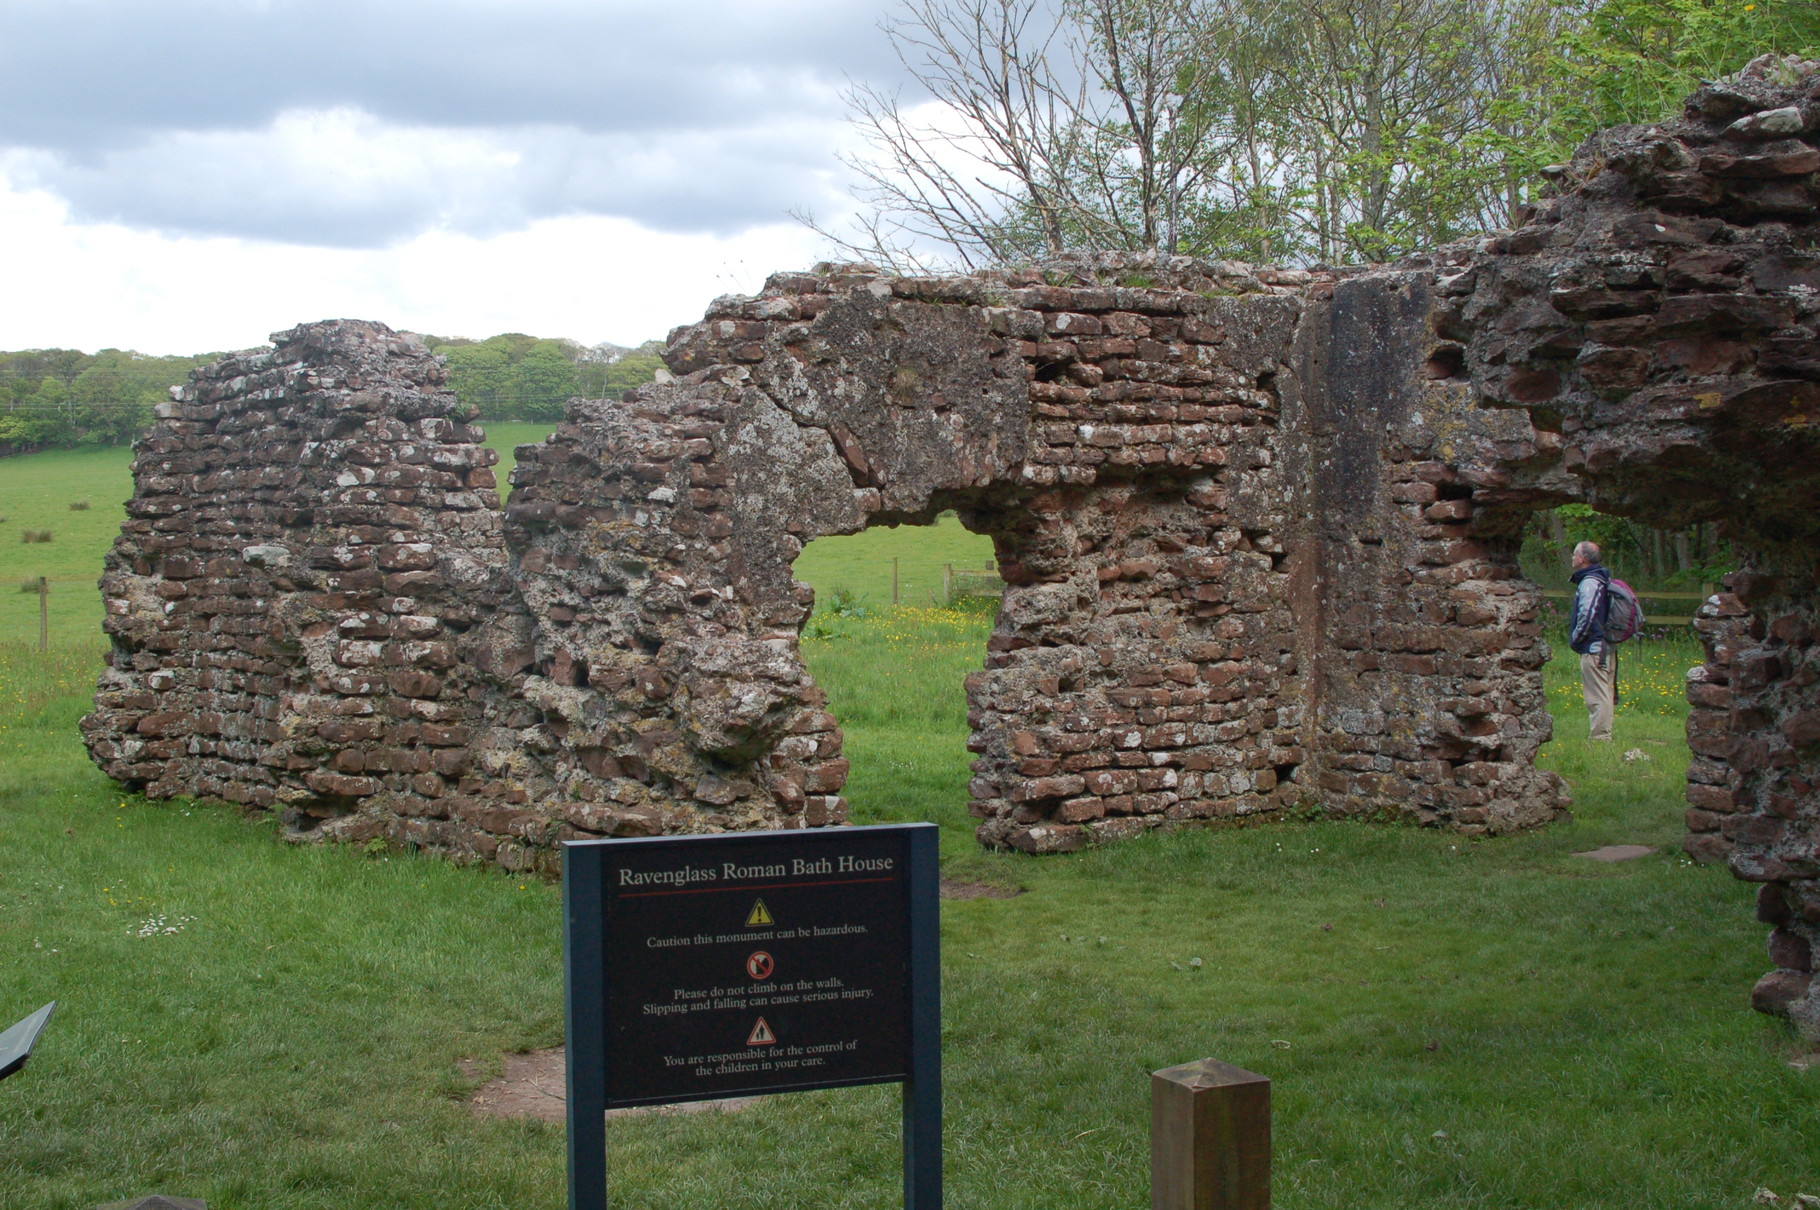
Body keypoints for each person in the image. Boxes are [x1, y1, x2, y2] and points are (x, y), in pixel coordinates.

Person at [1568, 540, 1614, 741]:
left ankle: (1600, 738)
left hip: (1594, 647)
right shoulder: (1602, 579)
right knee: (1604, 692)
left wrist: (1576, 638)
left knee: (1597, 696)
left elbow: (1587, 613)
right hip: (1605, 645)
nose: (1572, 557)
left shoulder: (1590, 582)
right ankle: (1602, 735)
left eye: (1574, 553)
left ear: (1582, 558)